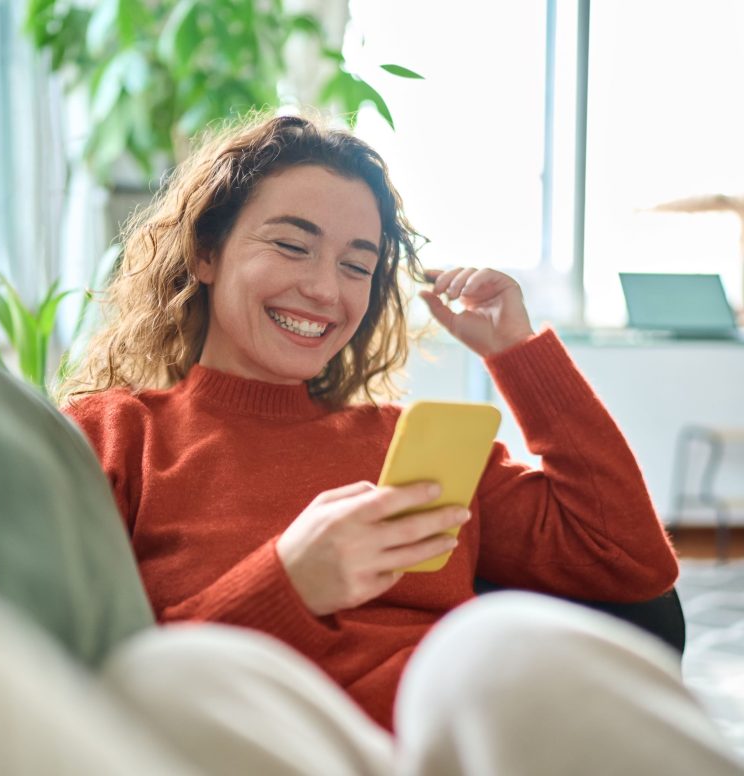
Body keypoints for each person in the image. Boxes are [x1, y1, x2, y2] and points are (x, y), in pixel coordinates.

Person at [61, 114, 741, 773]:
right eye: (292, 246)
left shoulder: (403, 444)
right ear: (206, 253)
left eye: (357, 266)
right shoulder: (115, 436)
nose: (325, 289)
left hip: (447, 748)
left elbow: (630, 564)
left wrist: (519, 357)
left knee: (490, 644)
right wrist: (286, 584)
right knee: (166, 679)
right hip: (265, 746)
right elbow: (93, 680)